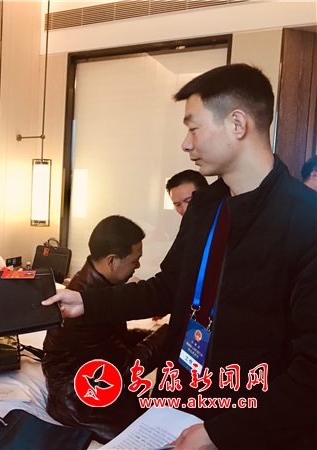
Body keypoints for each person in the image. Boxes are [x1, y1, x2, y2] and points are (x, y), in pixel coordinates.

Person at [43, 64, 317, 450]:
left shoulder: (305, 220)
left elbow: (310, 372)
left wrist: (220, 434)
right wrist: (87, 302)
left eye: (194, 128)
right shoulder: (206, 207)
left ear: (237, 124)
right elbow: (169, 288)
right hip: (181, 397)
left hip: (250, 422)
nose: (186, 144)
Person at [42, 216, 168, 443]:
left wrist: (152, 333)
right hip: (78, 399)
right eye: (135, 260)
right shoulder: (81, 309)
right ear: (112, 261)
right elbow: (127, 367)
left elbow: (113, 339)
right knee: (148, 438)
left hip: (95, 369)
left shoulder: (97, 289)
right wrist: (167, 333)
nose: (138, 266)